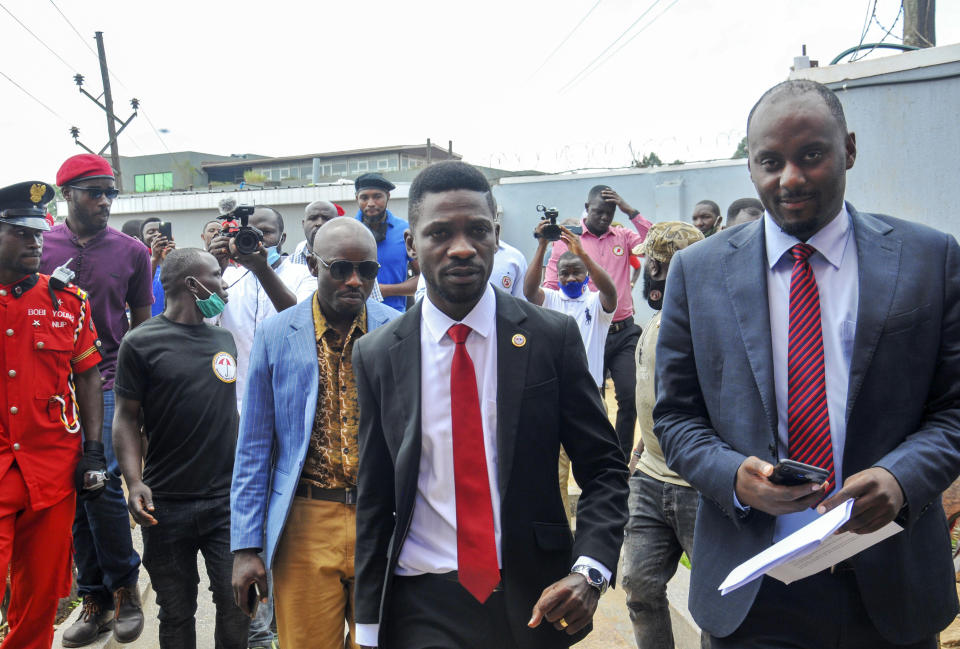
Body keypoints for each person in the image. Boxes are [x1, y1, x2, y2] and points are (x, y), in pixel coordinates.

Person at [654, 79, 960, 648]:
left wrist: (901, 478)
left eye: (811, 155)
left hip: (890, 587)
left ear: (848, 148)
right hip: (752, 592)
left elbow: (954, 409)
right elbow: (675, 418)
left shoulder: (929, 258)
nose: (789, 178)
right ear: (750, 167)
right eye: (770, 161)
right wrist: (734, 478)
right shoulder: (697, 273)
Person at [353, 161, 629, 649]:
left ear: (496, 237)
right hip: (421, 599)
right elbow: (375, 497)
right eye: (439, 232)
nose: (461, 247)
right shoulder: (378, 354)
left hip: (533, 598)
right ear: (412, 245)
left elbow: (604, 469)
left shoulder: (549, 337)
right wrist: (370, 626)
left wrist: (590, 572)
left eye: (477, 230)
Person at [231, 218, 400, 648]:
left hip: (381, 520)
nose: (355, 280)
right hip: (305, 521)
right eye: (340, 268)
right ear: (312, 264)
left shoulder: (399, 330)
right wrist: (246, 546)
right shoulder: (276, 334)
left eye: (368, 270)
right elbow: (253, 446)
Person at [112, 248, 249, 649]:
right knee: (175, 611)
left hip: (226, 501)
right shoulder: (140, 342)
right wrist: (134, 482)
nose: (224, 285)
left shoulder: (223, 338)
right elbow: (125, 418)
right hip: (166, 505)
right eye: (217, 276)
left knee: (236, 604)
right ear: (193, 284)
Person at [41, 154, 148, 647]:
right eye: (93, 192)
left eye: (110, 193)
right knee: (70, 487)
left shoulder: (131, 251)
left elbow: (142, 322)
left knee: (99, 477)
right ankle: (96, 598)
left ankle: (125, 587)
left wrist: (143, 387)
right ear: (67, 194)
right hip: (47, 386)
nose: (104, 201)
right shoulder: (38, 243)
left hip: (105, 379)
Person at [0, 181, 107, 648]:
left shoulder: (68, 302)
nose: (35, 241)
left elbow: (88, 377)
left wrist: (94, 452)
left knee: (43, 593)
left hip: (51, 467)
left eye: (39, 232)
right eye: (21, 232)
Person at [620, 221, 707, 649]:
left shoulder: (711, 325)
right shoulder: (654, 323)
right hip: (650, 476)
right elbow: (653, 397)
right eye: (654, 264)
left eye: (668, 266)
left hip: (698, 485)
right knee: (638, 585)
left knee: (717, 597)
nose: (656, 274)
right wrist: (639, 447)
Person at [543, 185, 652, 460]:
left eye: (610, 212)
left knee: (629, 397)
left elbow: (652, 243)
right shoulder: (568, 241)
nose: (604, 217)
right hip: (587, 331)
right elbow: (551, 286)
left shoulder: (624, 236)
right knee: (593, 396)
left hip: (623, 330)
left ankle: (620, 456)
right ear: (587, 208)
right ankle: (593, 455)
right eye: (598, 212)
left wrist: (630, 211)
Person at [525, 221, 617, 524]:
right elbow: (528, 291)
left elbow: (611, 291)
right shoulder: (550, 300)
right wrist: (542, 244)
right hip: (554, 398)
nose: (571, 277)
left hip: (591, 398)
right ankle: (566, 535)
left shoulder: (596, 302)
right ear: (557, 276)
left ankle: (598, 528)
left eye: (577, 271)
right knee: (557, 473)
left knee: (596, 467)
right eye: (565, 272)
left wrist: (583, 253)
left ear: (587, 274)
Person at [209, 204, 314, 412]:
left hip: (289, 395)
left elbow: (299, 322)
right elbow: (204, 321)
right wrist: (212, 269)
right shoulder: (227, 277)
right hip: (235, 398)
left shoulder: (304, 274)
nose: (258, 239)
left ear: (282, 239)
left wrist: (261, 269)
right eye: (248, 233)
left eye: (265, 232)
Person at [292, 200, 384, 303]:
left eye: (327, 218)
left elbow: (374, 306)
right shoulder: (289, 264)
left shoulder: (362, 262)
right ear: (313, 265)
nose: (319, 223)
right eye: (313, 218)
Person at [354, 173, 418, 311]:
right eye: (364, 197)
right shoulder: (347, 230)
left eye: (377, 196)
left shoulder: (405, 231)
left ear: (388, 196)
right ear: (356, 198)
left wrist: (385, 290)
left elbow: (424, 279)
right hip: (353, 318)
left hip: (394, 319)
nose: (371, 203)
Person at [415, 234, 528, 302]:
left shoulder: (514, 258)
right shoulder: (437, 257)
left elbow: (521, 302)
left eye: (478, 229)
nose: (463, 251)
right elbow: (422, 295)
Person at [141, 216, 175, 317]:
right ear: (142, 237)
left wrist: (173, 258)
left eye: (159, 231)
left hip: (172, 320)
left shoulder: (177, 257)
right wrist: (154, 259)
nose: (156, 234)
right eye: (151, 232)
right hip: (149, 321)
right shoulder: (137, 262)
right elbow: (141, 289)